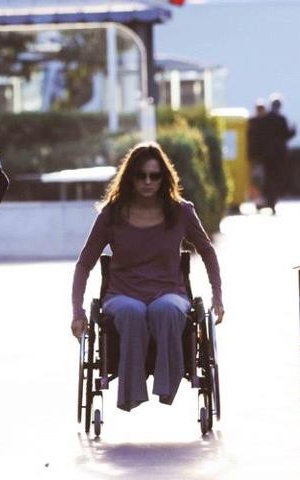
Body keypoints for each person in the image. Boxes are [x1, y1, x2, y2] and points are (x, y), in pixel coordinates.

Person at [70, 142, 224, 412]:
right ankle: (131, 393)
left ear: (165, 177)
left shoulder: (181, 211)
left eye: (155, 175)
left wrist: (218, 298)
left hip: (169, 292)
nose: (148, 181)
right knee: (132, 311)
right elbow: (84, 263)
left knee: (166, 309)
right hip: (122, 294)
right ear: (130, 177)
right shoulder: (112, 214)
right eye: (141, 175)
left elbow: (208, 252)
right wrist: (77, 311)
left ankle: (166, 387)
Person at [262, 94, 296, 214]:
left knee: (268, 177)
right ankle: (273, 201)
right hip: (279, 154)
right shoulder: (281, 119)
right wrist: (294, 129)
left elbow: (261, 137)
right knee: (276, 178)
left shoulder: (265, 118)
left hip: (267, 155)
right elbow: (287, 135)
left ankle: (269, 200)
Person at [247, 99, 268, 208]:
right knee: (256, 179)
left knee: (259, 179)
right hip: (258, 156)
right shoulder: (260, 122)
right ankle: (257, 200)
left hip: (261, 156)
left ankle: (259, 200)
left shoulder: (253, 121)